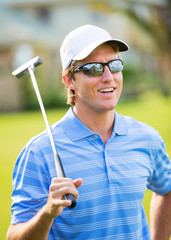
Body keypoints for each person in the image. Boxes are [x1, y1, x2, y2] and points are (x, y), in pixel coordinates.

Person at [7, 24, 171, 240]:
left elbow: (166, 189)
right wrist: (47, 214)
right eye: (93, 68)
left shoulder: (146, 138)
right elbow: (14, 236)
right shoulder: (39, 152)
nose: (108, 77)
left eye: (114, 65)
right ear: (69, 81)